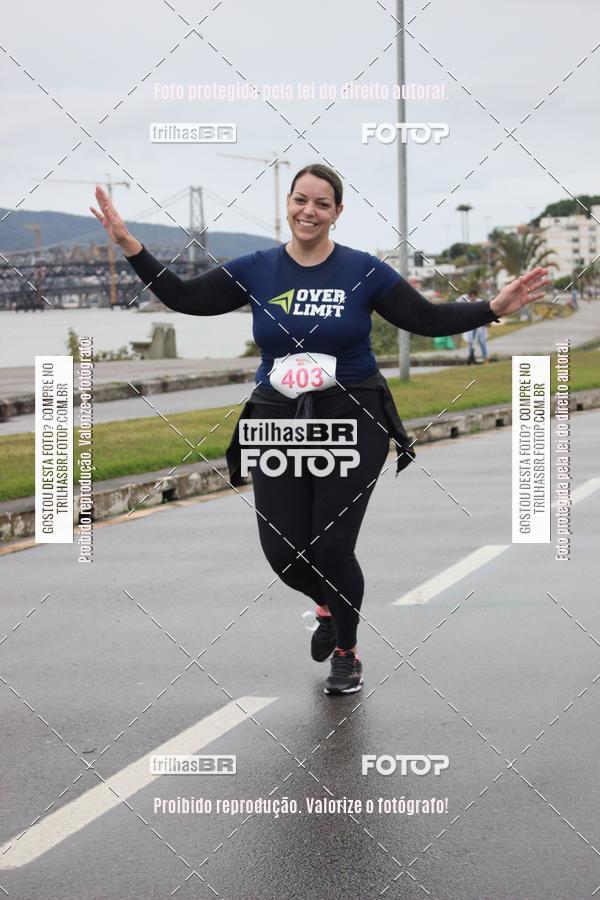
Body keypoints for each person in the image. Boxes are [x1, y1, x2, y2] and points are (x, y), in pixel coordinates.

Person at [90, 165, 549, 696]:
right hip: (276, 418)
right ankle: (328, 606)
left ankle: (347, 651)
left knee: (330, 548)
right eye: (300, 200)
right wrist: (129, 244)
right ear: (288, 204)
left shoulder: (363, 270)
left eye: (322, 203)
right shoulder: (257, 268)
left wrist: (493, 308)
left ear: (337, 212)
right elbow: (184, 297)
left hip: (353, 416)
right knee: (284, 553)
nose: (309, 211)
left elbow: (425, 318)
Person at [458, 290, 490, 364]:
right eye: (471, 296)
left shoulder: (480, 302)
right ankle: (471, 358)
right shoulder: (467, 302)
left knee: (482, 342)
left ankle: (486, 358)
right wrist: (464, 295)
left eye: (474, 296)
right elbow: (458, 300)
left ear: (476, 296)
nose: (473, 297)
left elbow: (485, 312)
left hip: (480, 325)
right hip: (471, 325)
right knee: (471, 342)